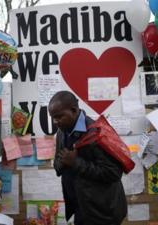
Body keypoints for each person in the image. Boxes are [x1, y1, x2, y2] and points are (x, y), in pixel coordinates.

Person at [48, 91, 127, 225]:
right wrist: (62, 162)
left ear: (73, 110)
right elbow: (58, 167)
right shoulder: (62, 132)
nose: (55, 122)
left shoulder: (97, 133)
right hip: (81, 208)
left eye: (59, 116)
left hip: (103, 213)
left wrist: (76, 163)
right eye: (53, 118)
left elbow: (113, 173)